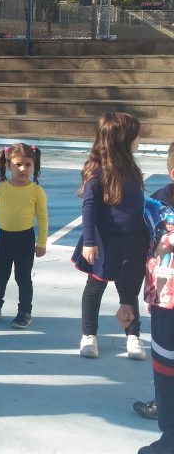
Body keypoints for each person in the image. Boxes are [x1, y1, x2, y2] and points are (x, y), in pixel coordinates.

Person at [71, 112, 148, 360]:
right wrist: (89, 241)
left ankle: (133, 335)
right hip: (104, 243)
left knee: (129, 290)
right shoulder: (97, 172)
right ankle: (89, 334)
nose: (139, 140)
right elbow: (89, 209)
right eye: (135, 136)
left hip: (131, 242)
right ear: (121, 140)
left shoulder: (132, 170)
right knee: (94, 288)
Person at [117, 141, 174, 454]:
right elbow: (135, 252)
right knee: (166, 372)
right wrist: (127, 299)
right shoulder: (153, 207)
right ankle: (169, 437)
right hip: (165, 306)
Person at [0, 143, 48, 329]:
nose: (23, 169)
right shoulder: (1, 188)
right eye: (18, 164)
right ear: (8, 165)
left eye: (28, 165)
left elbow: (42, 218)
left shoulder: (36, 191)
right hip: (2, 239)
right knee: (0, 275)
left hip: (25, 240)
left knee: (23, 277)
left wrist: (41, 242)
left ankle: (24, 311)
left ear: (34, 166)